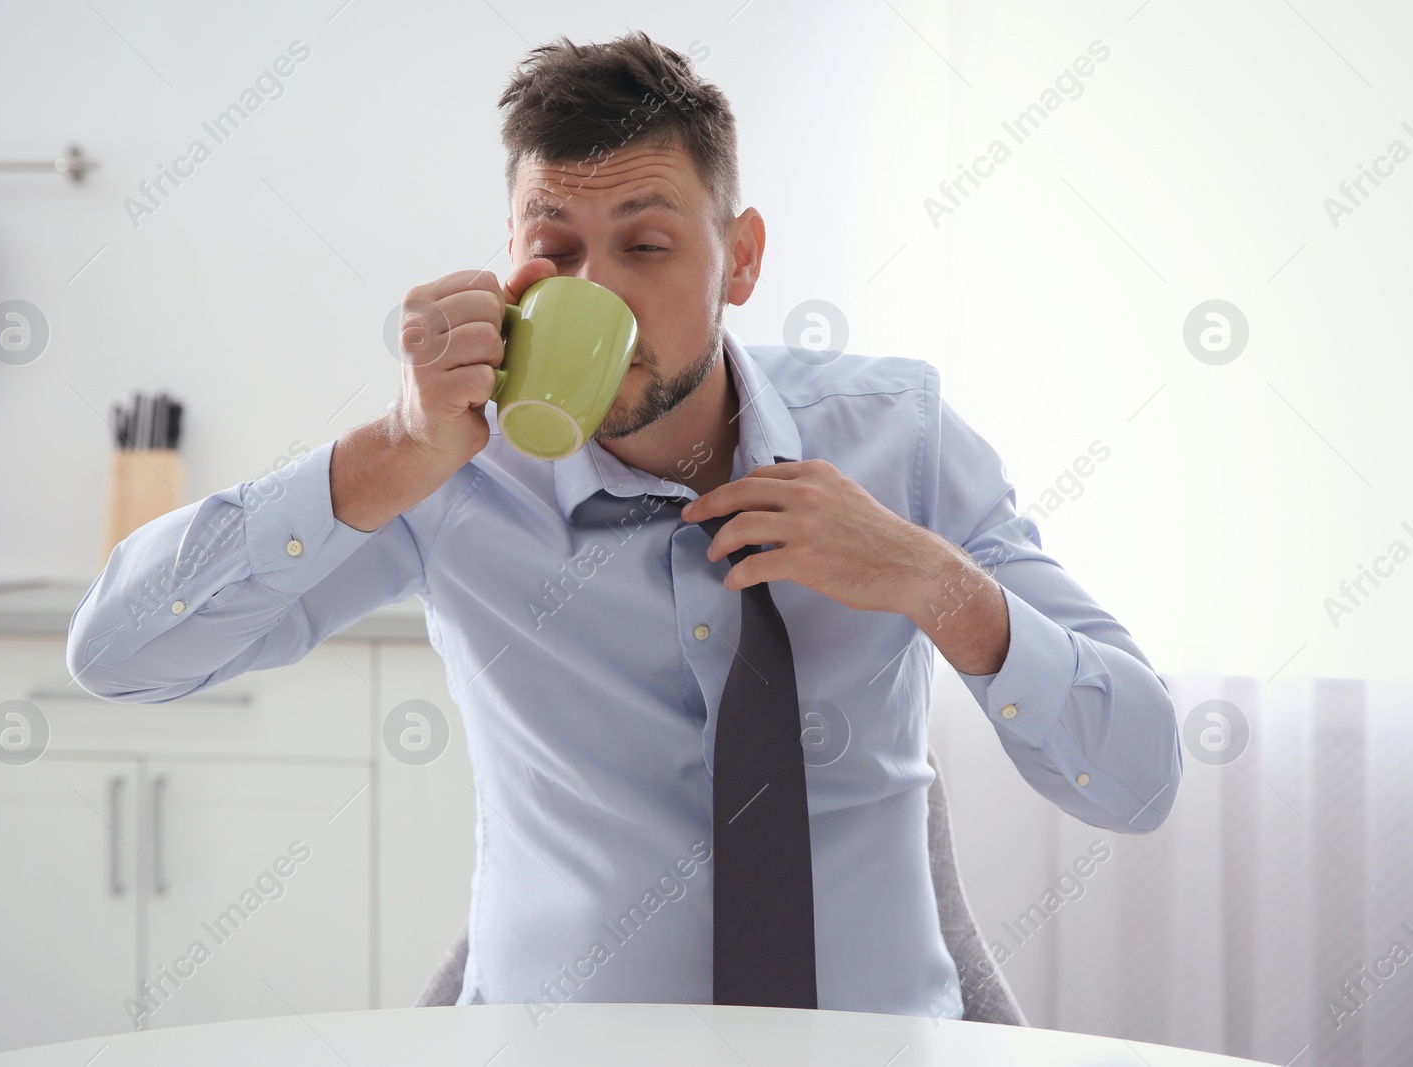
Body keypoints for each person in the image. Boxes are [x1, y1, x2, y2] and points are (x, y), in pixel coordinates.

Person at [68, 31, 1182, 1020]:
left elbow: (1138, 777)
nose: (590, 289)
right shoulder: (449, 472)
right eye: (552, 250)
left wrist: (934, 583)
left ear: (739, 258)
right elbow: (118, 656)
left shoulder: (901, 438)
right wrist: (383, 456)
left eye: (644, 247)